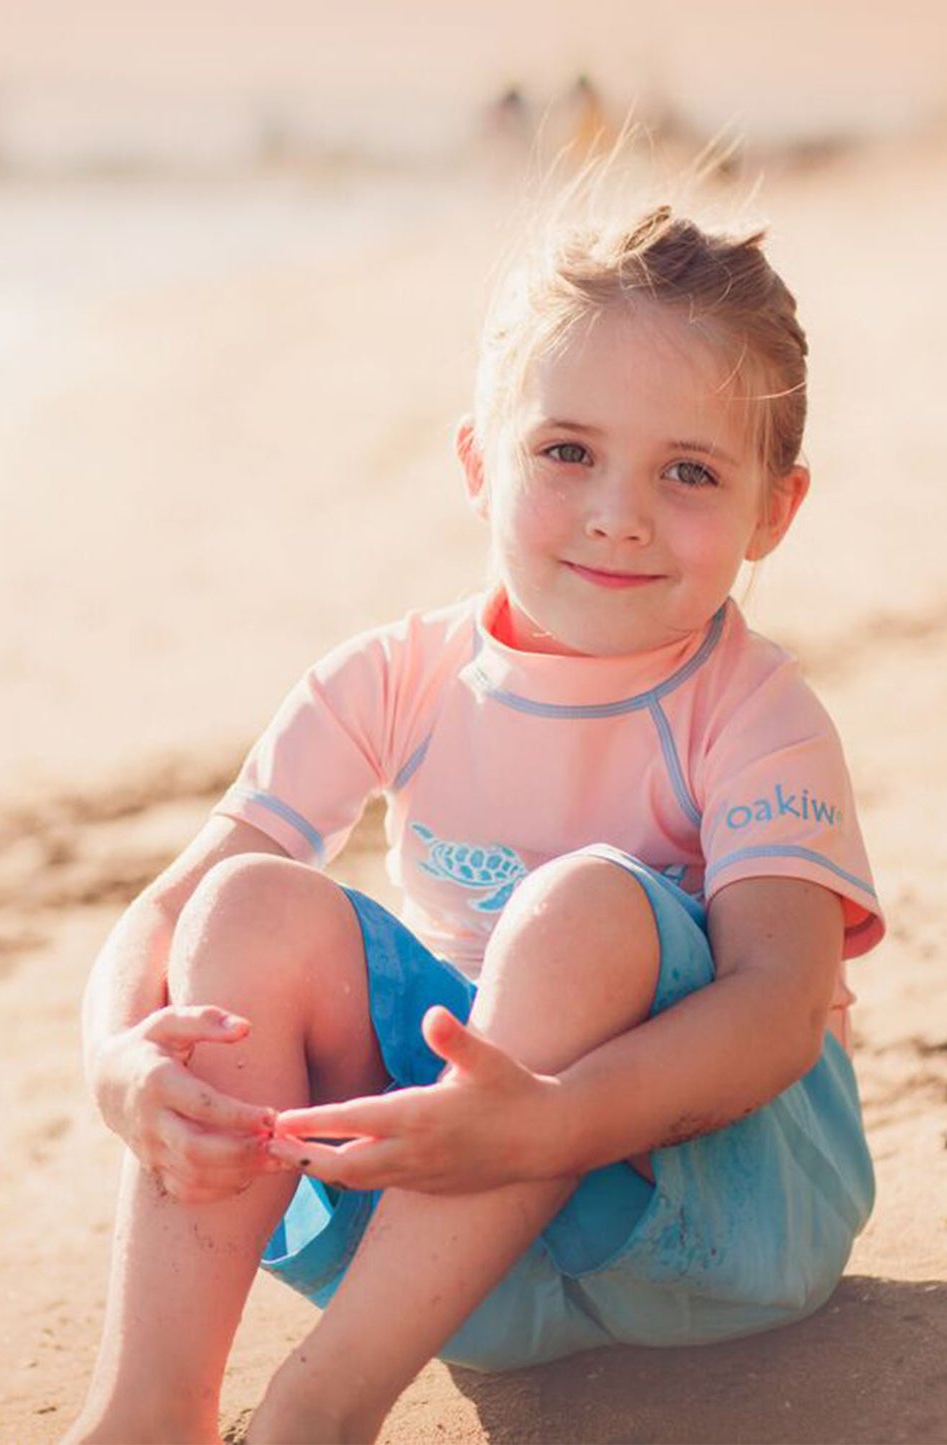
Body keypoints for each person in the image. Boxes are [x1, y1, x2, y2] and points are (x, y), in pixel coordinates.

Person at [63, 203, 883, 1444]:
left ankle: (317, 1410)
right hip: (454, 1250)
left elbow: (777, 1003)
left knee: (583, 905)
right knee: (247, 907)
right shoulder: (393, 676)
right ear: (475, 461)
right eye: (565, 450)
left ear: (773, 508)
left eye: (688, 471)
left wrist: (550, 1118)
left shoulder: (753, 709)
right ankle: (148, 1410)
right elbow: (174, 902)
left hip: (710, 1219)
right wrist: (116, 1057)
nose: (617, 512)